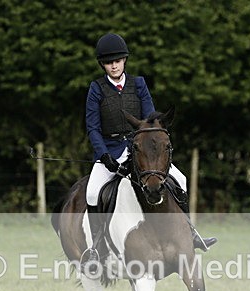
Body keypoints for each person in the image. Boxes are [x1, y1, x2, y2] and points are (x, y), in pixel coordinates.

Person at [83, 32, 216, 267]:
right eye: (109, 62)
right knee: (93, 192)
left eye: (117, 61)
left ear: (124, 60)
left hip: (142, 149)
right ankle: (97, 247)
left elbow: (152, 120)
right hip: (110, 149)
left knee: (181, 179)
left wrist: (150, 145)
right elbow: (93, 128)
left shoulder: (139, 84)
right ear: (102, 64)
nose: (114, 66)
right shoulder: (96, 89)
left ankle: (190, 233)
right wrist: (104, 155)